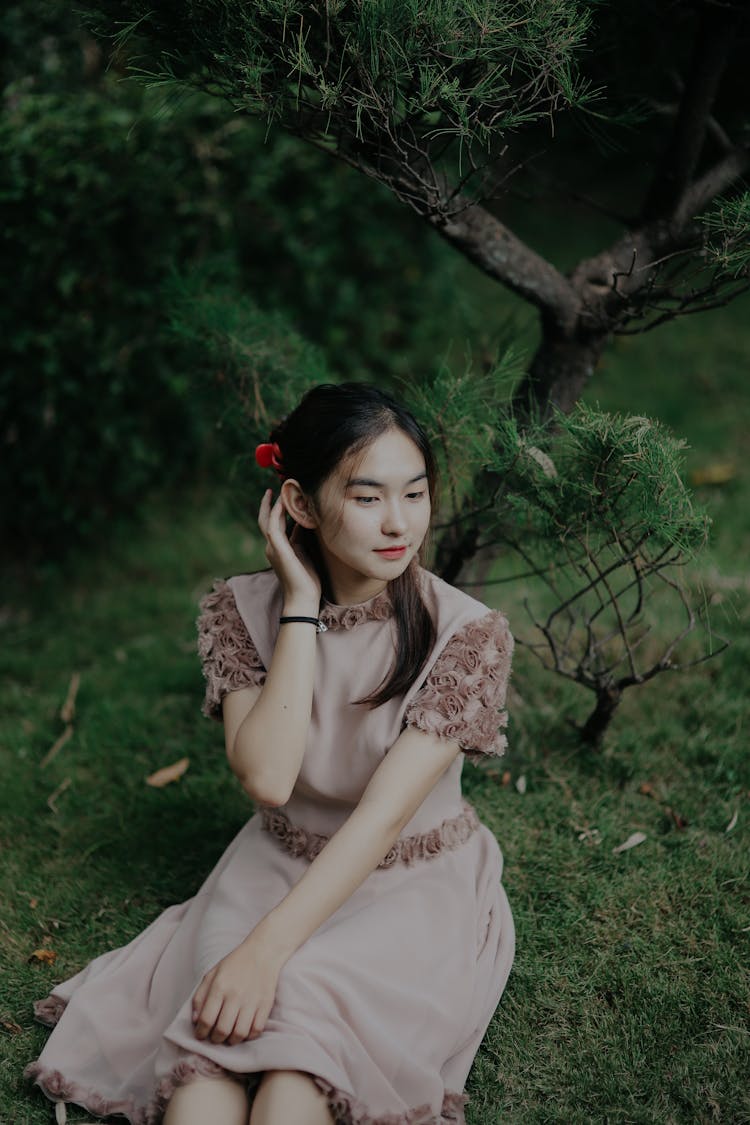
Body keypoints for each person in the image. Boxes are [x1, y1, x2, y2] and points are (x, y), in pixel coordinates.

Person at [25, 383, 515, 1125]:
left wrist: (266, 952)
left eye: (414, 494)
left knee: (296, 1078)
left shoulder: (466, 633)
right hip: (272, 867)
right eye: (368, 496)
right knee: (202, 1077)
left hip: (406, 887)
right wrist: (298, 600)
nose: (398, 522)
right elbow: (268, 777)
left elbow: (380, 820)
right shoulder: (243, 608)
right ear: (300, 502)